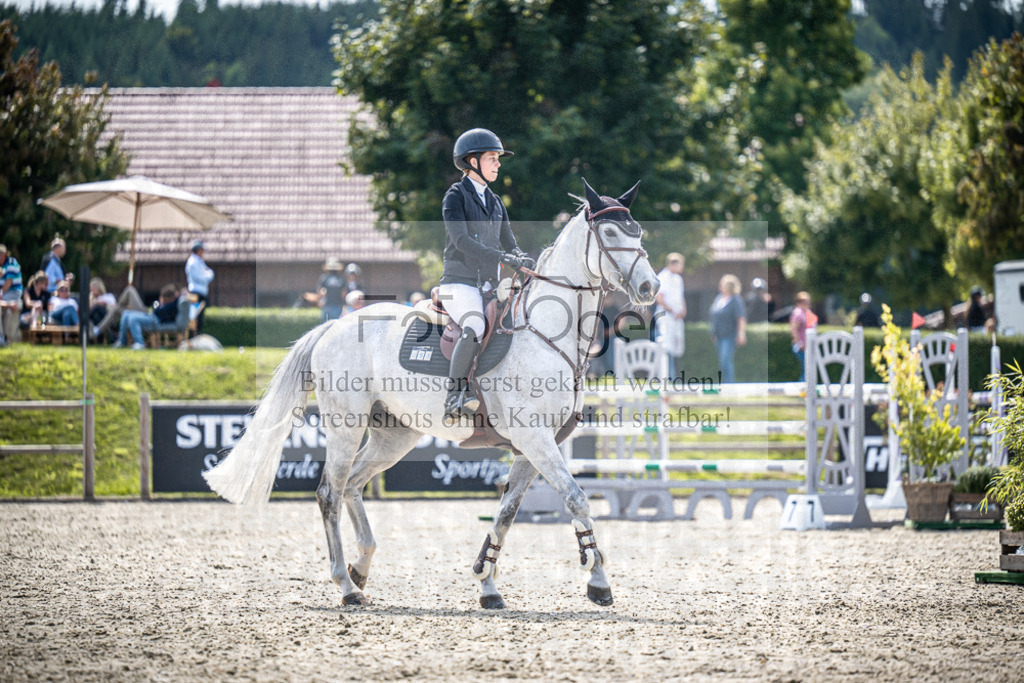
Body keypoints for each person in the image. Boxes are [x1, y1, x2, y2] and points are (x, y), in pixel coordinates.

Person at [439, 127, 534, 420]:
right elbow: (462, 242)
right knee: (475, 325)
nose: (498, 164)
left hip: (489, 285)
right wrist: (503, 257)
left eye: (497, 159)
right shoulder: (455, 195)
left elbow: (510, 243)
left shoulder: (495, 201)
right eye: (492, 158)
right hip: (460, 283)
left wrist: (521, 257)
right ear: (472, 161)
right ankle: (454, 395)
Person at [113, 284, 181, 350]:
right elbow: (155, 308)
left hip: (156, 321)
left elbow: (158, 311)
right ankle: (122, 341)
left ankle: (140, 343)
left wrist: (162, 304)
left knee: (133, 318)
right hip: (151, 316)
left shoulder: (173, 305)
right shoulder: (167, 304)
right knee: (126, 313)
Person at [709, 274, 746, 383]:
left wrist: (741, 334)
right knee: (722, 361)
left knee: (725, 359)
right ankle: (725, 382)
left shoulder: (736, 300)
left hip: (729, 334)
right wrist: (713, 333)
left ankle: (729, 384)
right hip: (719, 335)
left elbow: (741, 318)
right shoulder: (719, 298)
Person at [654, 253, 686, 379]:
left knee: (677, 347)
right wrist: (672, 310)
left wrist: (683, 310)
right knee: (666, 347)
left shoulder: (678, 279)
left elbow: (681, 297)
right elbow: (660, 298)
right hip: (666, 317)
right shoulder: (663, 277)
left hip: (677, 318)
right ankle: (667, 377)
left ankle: (676, 377)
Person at [185, 240, 214, 334]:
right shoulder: (193, 262)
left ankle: (196, 336)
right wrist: (209, 275)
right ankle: (193, 337)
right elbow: (200, 277)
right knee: (194, 317)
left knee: (199, 317)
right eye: (202, 250)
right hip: (195, 293)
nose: (203, 252)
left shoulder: (199, 261)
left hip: (200, 293)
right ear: (198, 250)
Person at [789, 291, 818, 382]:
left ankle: (806, 389)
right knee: (807, 368)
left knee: (809, 369)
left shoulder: (807, 312)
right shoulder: (798, 313)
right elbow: (793, 330)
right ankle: (803, 389)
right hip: (801, 347)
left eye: (808, 301)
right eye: (804, 301)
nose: (807, 303)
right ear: (798, 302)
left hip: (809, 346)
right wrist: (800, 343)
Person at [0, 244, 23, 345]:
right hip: (3, 296)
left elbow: (8, 282)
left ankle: (5, 338)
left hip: (12, 293)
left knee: (8, 311)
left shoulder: (11, 262)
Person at [88, 277, 117, 342]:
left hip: (107, 318)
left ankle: (98, 338)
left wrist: (104, 303)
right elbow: (89, 311)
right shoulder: (91, 298)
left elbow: (114, 309)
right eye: (91, 289)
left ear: (98, 288)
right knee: (96, 315)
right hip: (95, 320)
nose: (91, 291)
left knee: (98, 308)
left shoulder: (109, 296)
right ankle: (99, 340)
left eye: (93, 289)